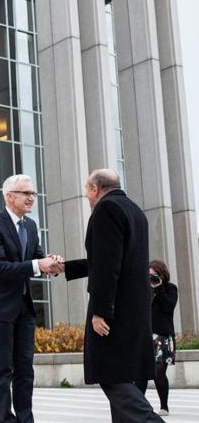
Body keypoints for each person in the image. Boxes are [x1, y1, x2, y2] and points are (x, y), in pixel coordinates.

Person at [60, 169, 163, 422]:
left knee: (113, 378)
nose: (88, 197)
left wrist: (100, 310)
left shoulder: (105, 210)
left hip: (114, 314)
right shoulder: (135, 211)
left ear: (95, 188)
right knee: (128, 377)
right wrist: (66, 267)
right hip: (135, 312)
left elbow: (107, 266)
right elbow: (112, 257)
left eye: (87, 192)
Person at [0, 174, 62, 423]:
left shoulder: (31, 226)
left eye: (33, 193)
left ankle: (26, 418)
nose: (32, 197)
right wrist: (38, 264)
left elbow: (36, 257)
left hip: (24, 307)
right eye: (26, 193)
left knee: (25, 369)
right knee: (3, 370)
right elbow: (0, 267)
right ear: (9, 196)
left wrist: (51, 263)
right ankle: (6, 419)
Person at [135, 260, 178, 416]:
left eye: (154, 275)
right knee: (142, 372)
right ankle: (139, 407)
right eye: (149, 275)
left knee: (159, 372)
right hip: (145, 336)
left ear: (162, 274)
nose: (151, 278)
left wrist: (159, 288)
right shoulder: (144, 290)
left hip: (163, 337)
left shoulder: (170, 289)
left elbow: (168, 307)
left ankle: (164, 407)